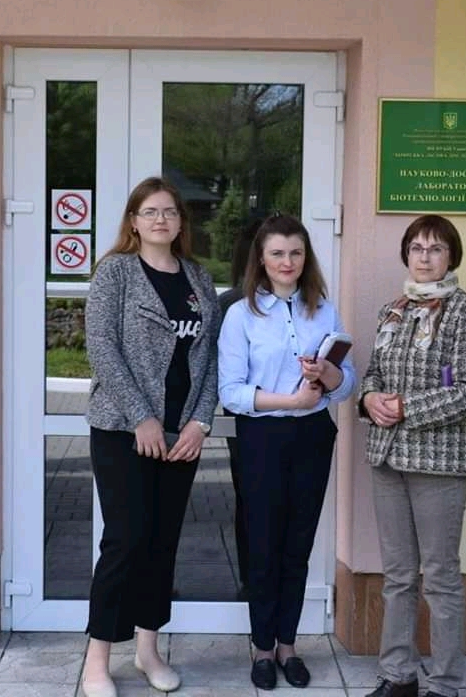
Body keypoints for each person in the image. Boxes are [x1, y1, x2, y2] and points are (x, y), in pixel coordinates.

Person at [81, 176, 220, 697]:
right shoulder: (115, 272)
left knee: (162, 542)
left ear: (181, 222)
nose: (161, 219)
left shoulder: (198, 279)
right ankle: (97, 660)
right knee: (125, 540)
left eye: (170, 212)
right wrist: (141, 416)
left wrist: (199, 422)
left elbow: (210, 360)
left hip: (181, 435)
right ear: (134, 222)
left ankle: (147, 651)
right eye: (150, 211)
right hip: (123, 430)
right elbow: (102, 347)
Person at [358, 214, 466, 697]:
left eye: (435, 249)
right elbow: (374, 371)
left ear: (451, 256)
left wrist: (404, 407)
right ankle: (398, 676)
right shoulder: (392, 310)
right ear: (406, 254)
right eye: (417, 248)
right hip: (387, 458)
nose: (424, 257)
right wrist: (369, 398)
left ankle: (444, 683)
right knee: (398, 577)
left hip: (438, 463)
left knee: (439, 578)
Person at [218, 213, 356, 690]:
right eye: (277, 253)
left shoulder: (324, 311)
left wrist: (328, 375)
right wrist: (289, 400)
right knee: (263, 545)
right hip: (262, 438)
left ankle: (288, 646)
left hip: (312, 435)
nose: (287, 262)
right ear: (261, 258)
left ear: (306, 257)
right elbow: (230, 391)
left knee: (298, 545)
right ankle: (262, 648)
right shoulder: (241, 314)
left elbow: (347, 383)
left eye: (296, 252)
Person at [217, 218, 261, 603]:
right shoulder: (233, 304)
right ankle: (256, 581)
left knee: (247, 500)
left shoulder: (226, 301)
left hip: (242, 421)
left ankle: (251, 580)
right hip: (247, 418)